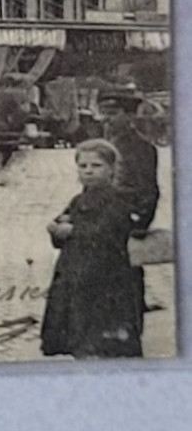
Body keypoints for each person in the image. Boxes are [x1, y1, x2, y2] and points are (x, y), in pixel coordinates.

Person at [41, 139, 143, 359]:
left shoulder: (118, 200)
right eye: (83, 166)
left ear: (111, 169)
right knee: (79, 337)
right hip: (75, 278)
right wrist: (55, 230)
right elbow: (61, 236)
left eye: (96, 166)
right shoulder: (78, 200)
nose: (88, 171)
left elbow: (106, 234)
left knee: (104, 341)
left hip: (106, 280)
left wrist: (71, 231)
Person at [103, 97, 161, 316]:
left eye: (112, 113)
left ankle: (133, 309)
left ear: (128, 116)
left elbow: (149, 189)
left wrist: (141, 220)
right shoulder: (111, 143)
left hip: (127, 215)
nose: (106, 119)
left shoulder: (140, 147)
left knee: (129, 263)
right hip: (108, 214)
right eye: (105, 114)